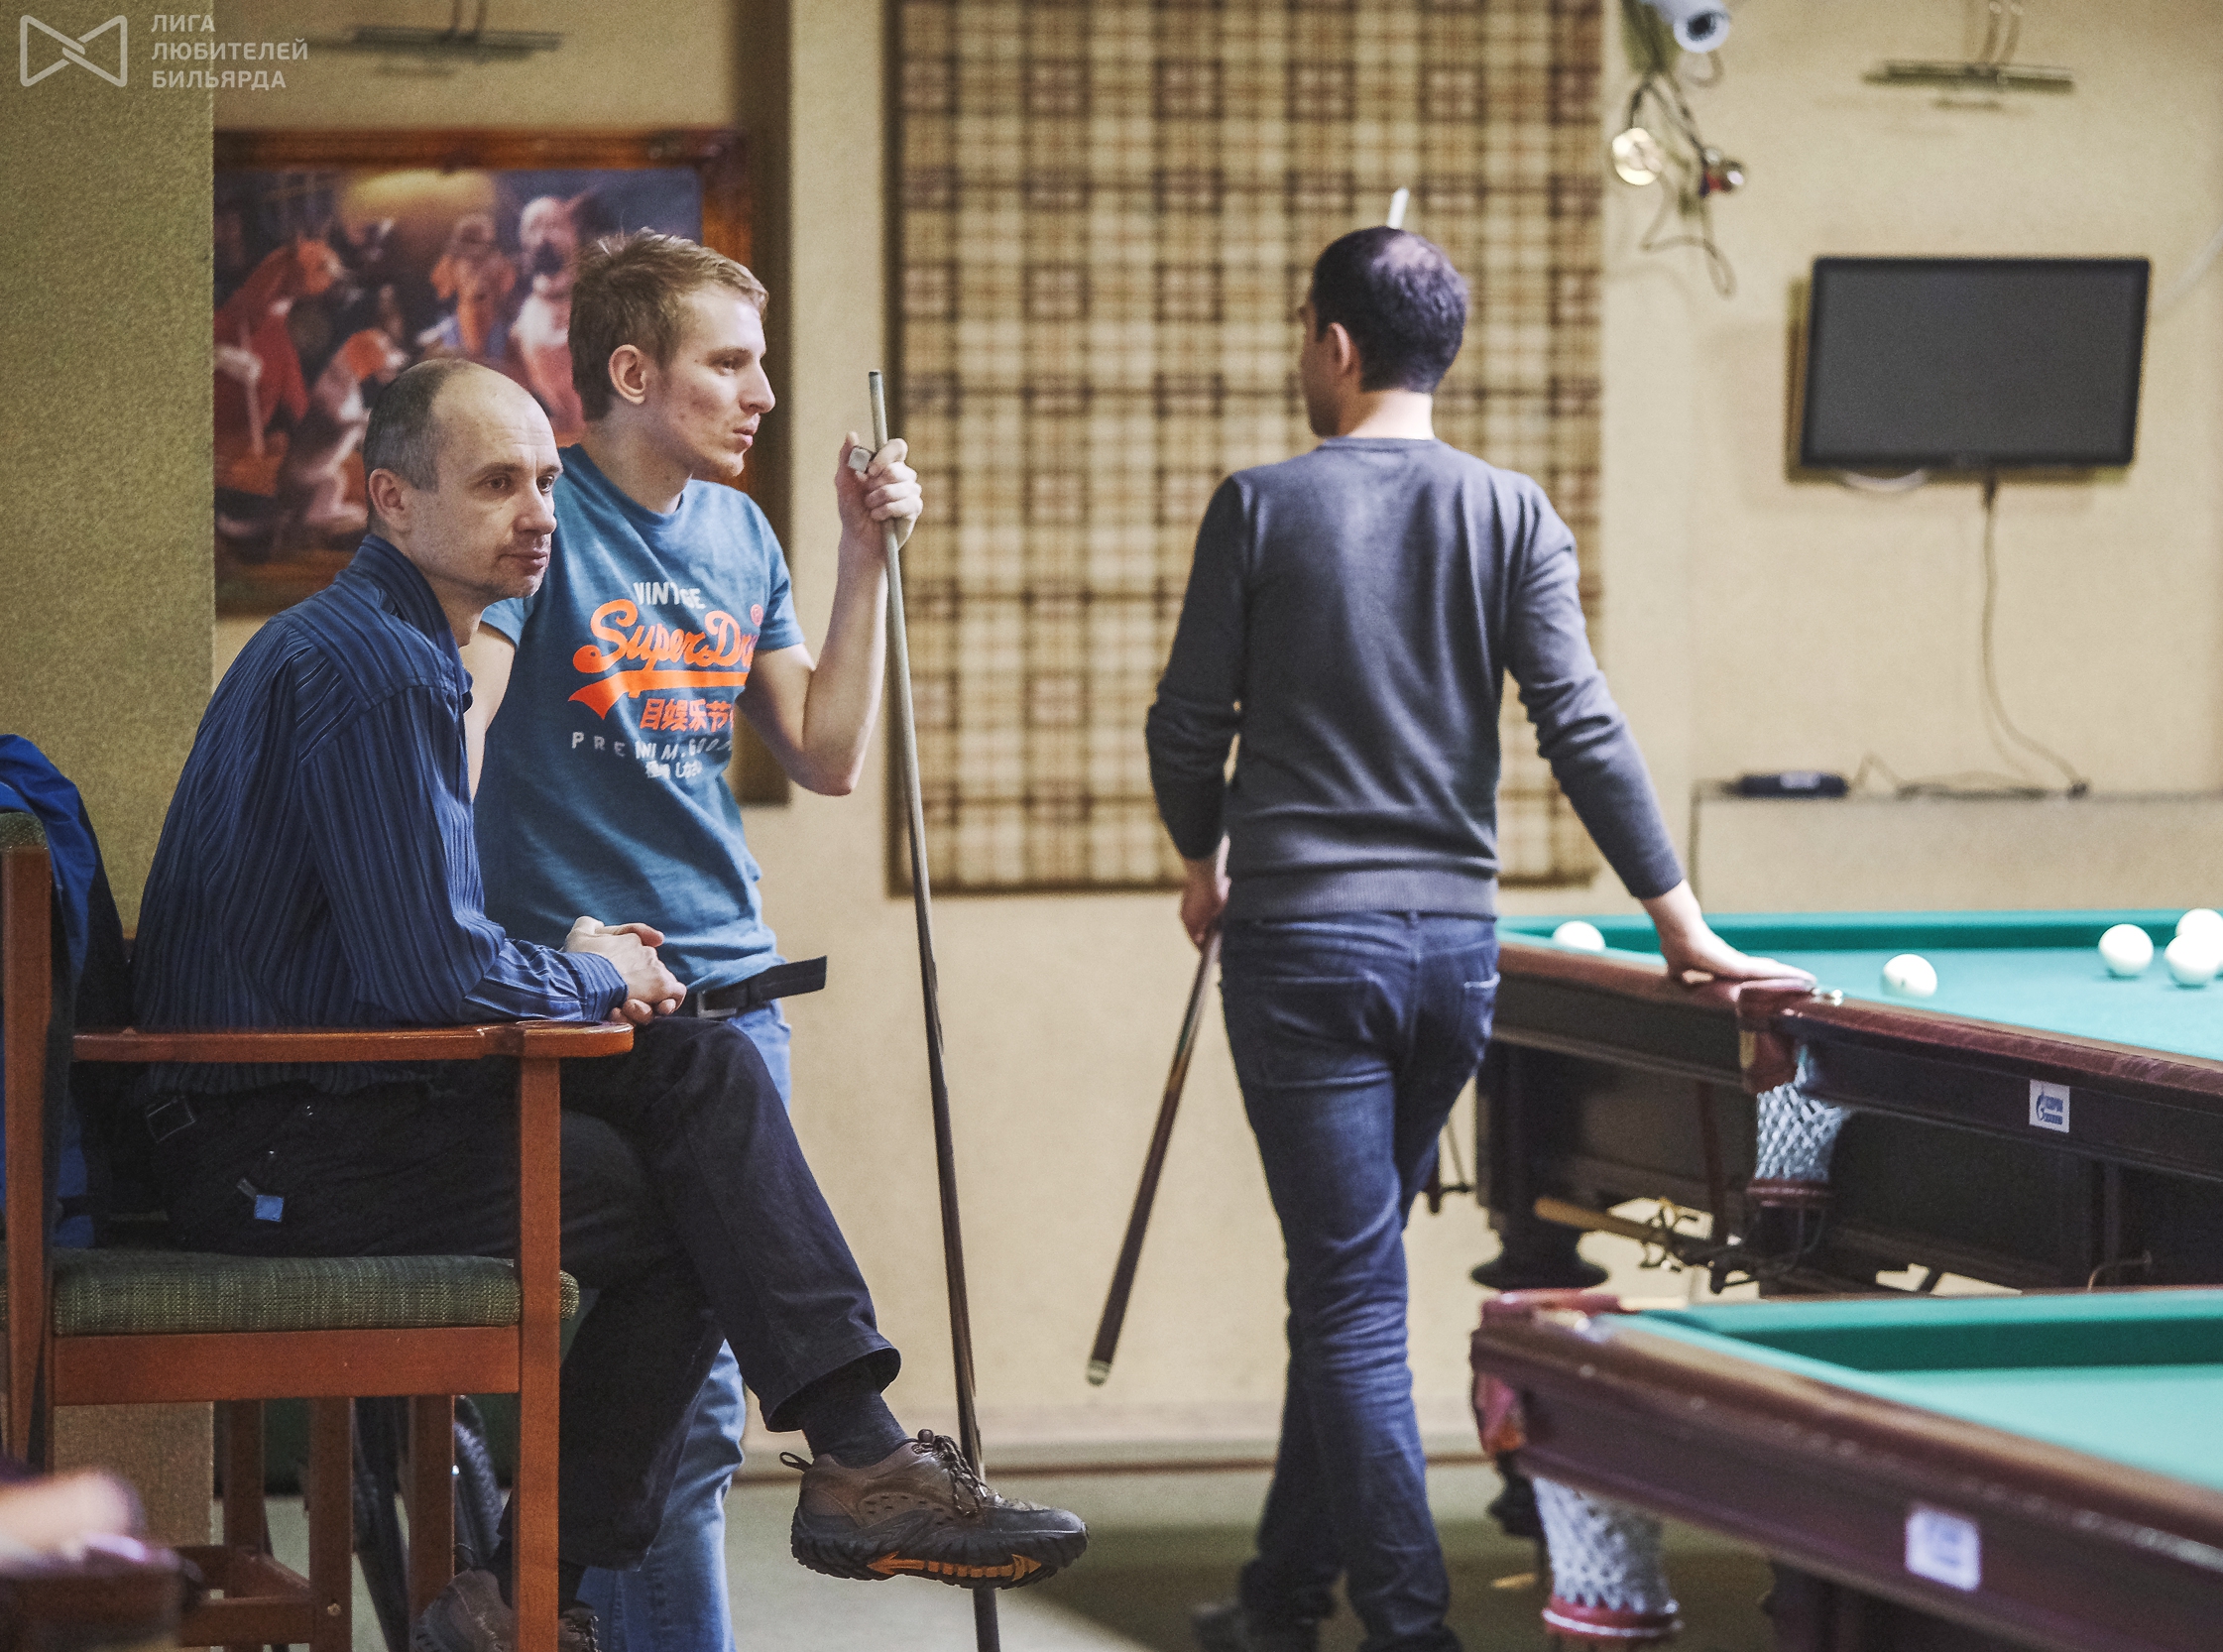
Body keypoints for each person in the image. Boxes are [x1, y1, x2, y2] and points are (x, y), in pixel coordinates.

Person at [133, 358, 1088, 1652]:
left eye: (543, 480)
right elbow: (429, 975)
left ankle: (822, 1469)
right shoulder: (381, 669)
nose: (539, 513)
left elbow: (401, 944)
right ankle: (566, 1576)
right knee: (693, 1193)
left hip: (323, 1098)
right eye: (496, 484)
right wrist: (597, 972)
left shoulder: (374, 643)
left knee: (698, 1072)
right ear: (392, 501)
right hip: (270, 1154)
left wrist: (575, 954)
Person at [1145, 228, 1804, 1652]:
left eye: (1305, 331)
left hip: (1305, 952)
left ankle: (1409, 1631)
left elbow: (1186, 725)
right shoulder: (1514, 510)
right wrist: (1681, 921)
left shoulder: (1260, 505)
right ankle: (1278, 1600)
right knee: (1345, 1280)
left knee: (1348, 1297)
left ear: (1335, 345)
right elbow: (1583, 726)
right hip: (1453, 955)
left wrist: (1203, 861)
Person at [456, 229, 911, 1652]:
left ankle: (552, 1607)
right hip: (585, 997)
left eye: (759, 364)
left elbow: (827, 751)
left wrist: (863, 555)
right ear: (634, 372)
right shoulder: (539, 524)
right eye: (731, 363)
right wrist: (538, 935)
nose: (762, 393)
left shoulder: (742, 534)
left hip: (733, 991)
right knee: (680, 1393)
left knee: (698, 1402)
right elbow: (456, 749)